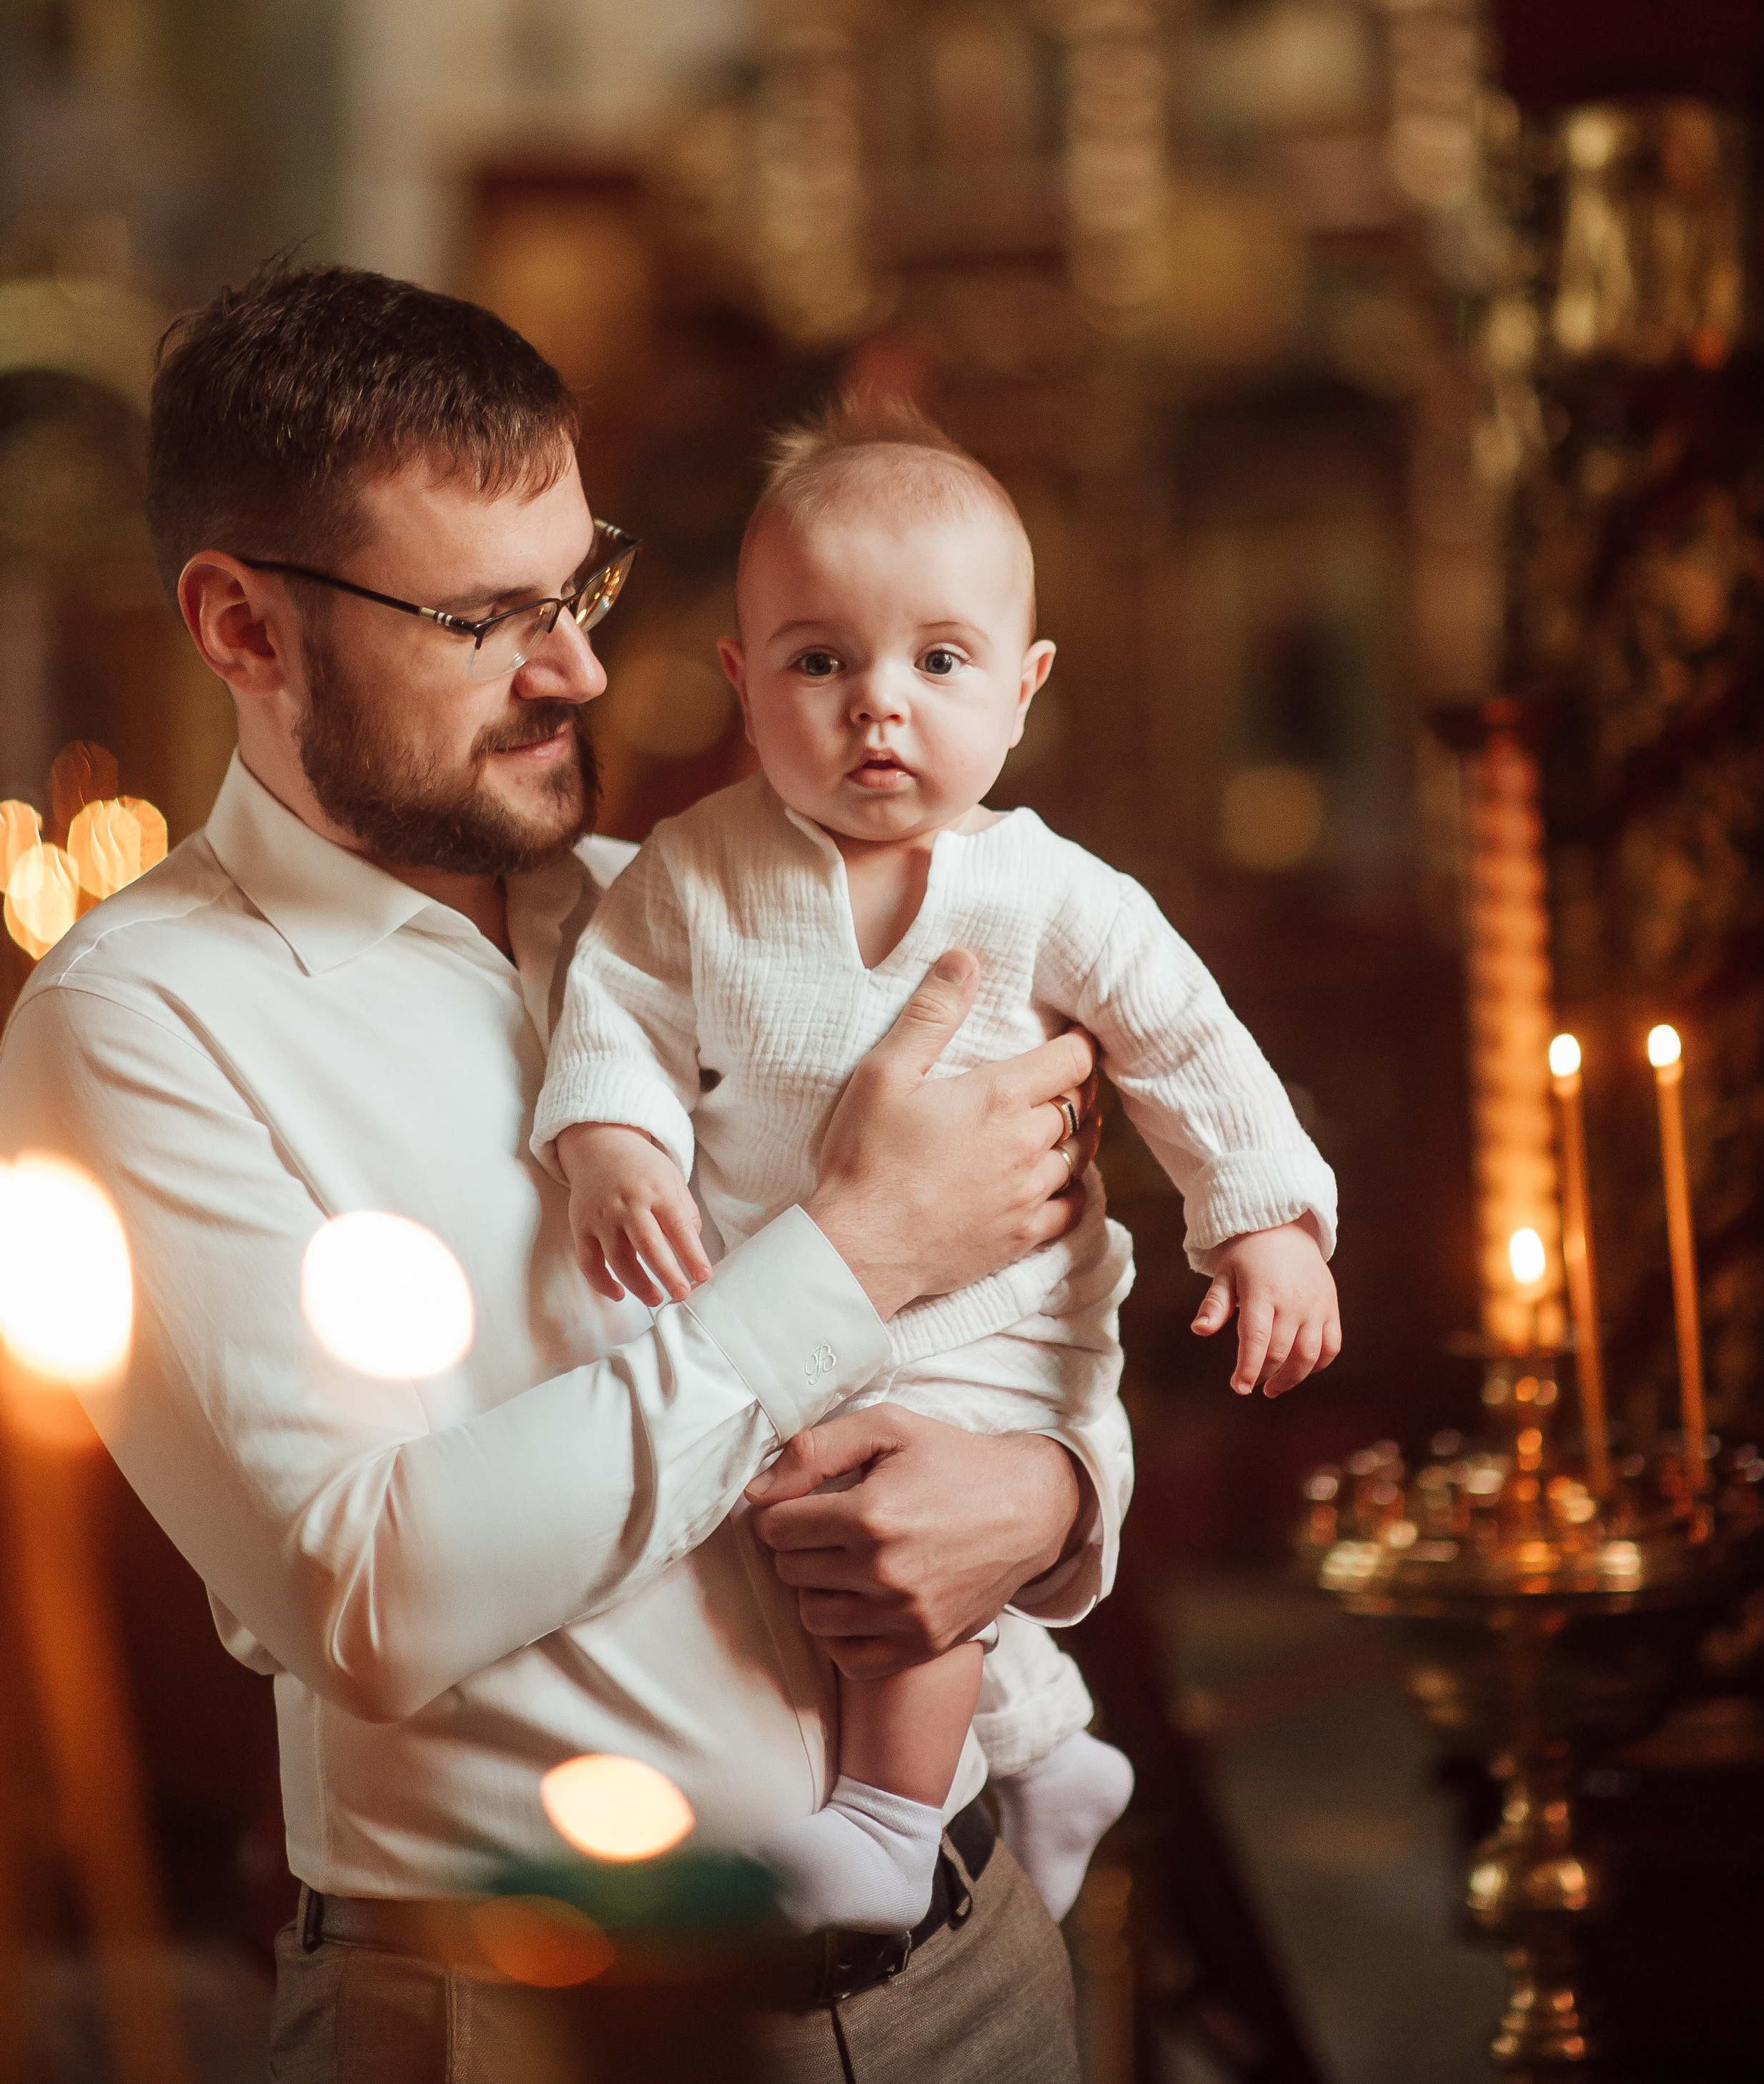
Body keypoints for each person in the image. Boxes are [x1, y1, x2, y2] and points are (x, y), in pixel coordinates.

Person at [0, 263, 1129, 2084]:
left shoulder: (682, 907)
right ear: (243, 627)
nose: (579, 668)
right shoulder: (134, 1026)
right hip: (511, 2020)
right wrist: (848, 1256)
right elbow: (365, 1593)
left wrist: (1055, 1491)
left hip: (970, 1967)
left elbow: (1034, 1290)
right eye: (485, 618)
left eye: (581, 584)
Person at [537, 395, 1342, 1937]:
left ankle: (891, 1824)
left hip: (993, 1311)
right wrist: (612, 1148)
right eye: (820, 660)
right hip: (779, 1280)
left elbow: (1188, 1048)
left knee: (890, 1519)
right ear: (740, 678)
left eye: (939, 661)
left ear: (1024, 689)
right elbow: (615, 1018)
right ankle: (1050, 1757)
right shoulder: (693, 869)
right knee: (793, 1524)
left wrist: (1267, 1224)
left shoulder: (1051, 892)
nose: (876, 709)